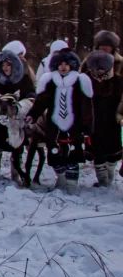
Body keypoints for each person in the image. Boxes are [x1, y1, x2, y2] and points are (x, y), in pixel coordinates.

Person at [28, 49, 92, 194]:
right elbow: (41, 102)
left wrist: (87, 126)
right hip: (54, 125)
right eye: (60, 64)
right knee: (54, 152)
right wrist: (33, 114)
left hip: (74, 126)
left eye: (67, 64)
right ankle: (61, 178)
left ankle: (72, 185)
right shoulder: (50, 82)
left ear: (72, 65)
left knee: (73, 155)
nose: (63, 67)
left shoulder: (79, 81)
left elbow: (86, 106)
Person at [0, 49, 36, 181]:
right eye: (3, 65)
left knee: (17, 143)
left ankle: (15, 169)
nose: (5, 68)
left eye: (8, 65)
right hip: (0, 117)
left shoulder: (24, 79)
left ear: (14, 65)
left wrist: (21, 107)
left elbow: (31, 95)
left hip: (18, 117)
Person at [82, 50, 122, 187]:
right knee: (97, 151)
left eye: (102, 67)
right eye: (96, 67)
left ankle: (110, 172)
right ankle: (103, 180)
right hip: (93, 122)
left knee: (113, 153)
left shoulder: (117, 81)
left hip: (112, 121)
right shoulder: (86, 80)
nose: (98, 71)